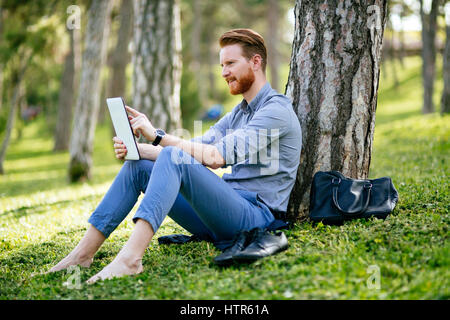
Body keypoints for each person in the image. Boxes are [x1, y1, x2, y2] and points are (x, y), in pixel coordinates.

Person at [49, 28, 302, 283]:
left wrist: (158, 137)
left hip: (255, 219)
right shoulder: (239, 113)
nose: (224, 72)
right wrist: (141, 150)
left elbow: (214, 157)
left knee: (171, 155)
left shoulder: (276, 111)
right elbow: (196, 146)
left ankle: (130, 260)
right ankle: (82, 254)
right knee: (139, 167)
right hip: (222, 213)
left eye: (230, 63)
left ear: (256, 62)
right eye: (222, 65)